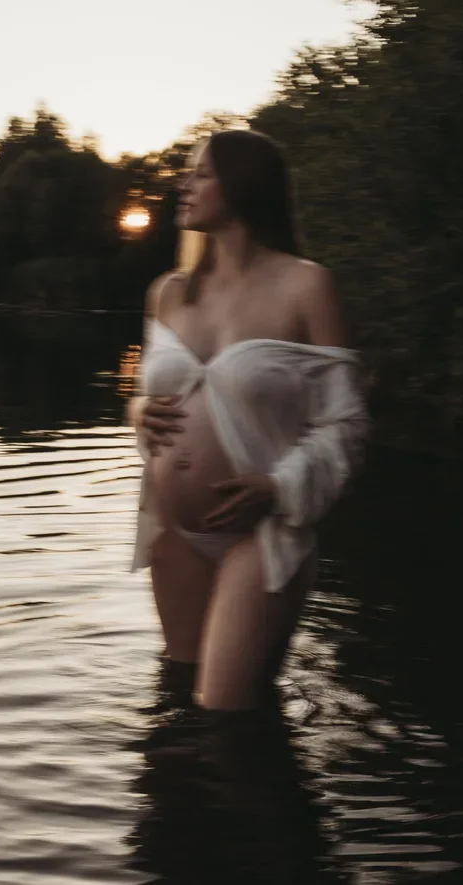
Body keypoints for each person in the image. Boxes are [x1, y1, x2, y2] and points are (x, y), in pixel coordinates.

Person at [127, 128, 367, 716]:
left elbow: (346, 423)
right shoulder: (169, 292)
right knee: (178, 695)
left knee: (223, 711)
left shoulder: (306, 285)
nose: (184, 184)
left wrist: (279, 487)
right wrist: (137, 411)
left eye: (201, 173)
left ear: (243, 185)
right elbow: (145, 395)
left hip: (261, 532)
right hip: (176, 529)